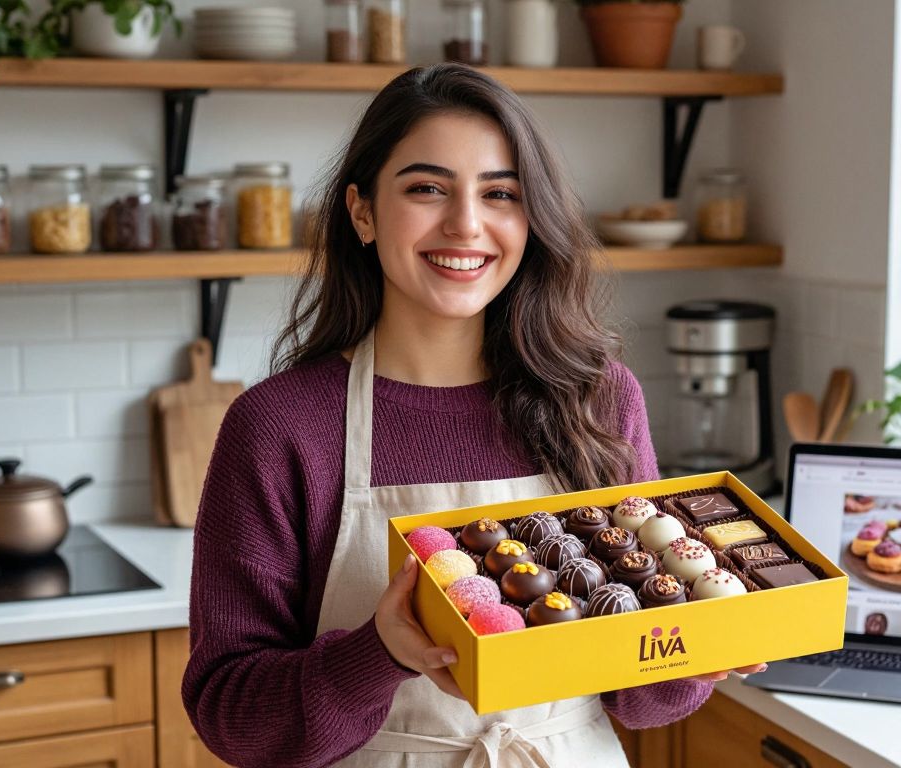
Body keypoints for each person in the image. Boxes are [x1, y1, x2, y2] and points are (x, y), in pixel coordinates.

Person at [182, 64, 762, 768]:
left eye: (500, 194)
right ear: (362, 211)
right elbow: (232, 718)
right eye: (427, 188)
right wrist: (381, 651)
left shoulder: (599, 399)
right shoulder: (280, 426)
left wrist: (700, 651)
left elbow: (638, 699)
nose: (465, 223)